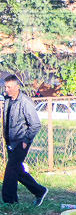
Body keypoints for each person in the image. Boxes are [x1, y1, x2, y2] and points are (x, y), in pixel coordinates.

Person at [2, 75, 47, 205]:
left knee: (10, 170)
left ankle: (9, 201)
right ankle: (39, 191)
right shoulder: (8, 99)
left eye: (9, 87)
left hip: (21, 142)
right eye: (6, 87)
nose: (7, 89)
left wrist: (26, 140)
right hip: (10, 141)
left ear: (17, 87)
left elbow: (36, 124)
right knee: (17, 170)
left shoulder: (25, 102)